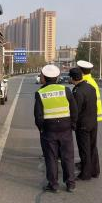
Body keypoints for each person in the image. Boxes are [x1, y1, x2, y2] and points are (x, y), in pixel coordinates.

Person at [34, 65, 78, 193]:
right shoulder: (66, 90)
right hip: (66, 128)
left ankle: (53, 185)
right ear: (57, 77)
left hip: (49, 130)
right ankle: (70, 184)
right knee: (68, 157)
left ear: (44, 77)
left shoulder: (40, 93)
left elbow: (38, 115)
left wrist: (41, 128)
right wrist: (73, 125)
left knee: (51, 157)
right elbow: (74, 110)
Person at [69, 68, 99, 180]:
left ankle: (85, 174)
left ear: (72, 78)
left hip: (83, 125)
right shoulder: (91, 87)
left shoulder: (77, 91)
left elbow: (76, 110)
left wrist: (72, 123)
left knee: (84, 149)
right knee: (92, 147)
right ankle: (95, 171)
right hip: (93, 122)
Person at [77, 60, 102, 177]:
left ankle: (87, 171)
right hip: (94, 118)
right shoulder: (92, 81)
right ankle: (94, 169)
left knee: (86, 147)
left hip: (87, 119)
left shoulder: (86, 83)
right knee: (92, 146)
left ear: (81, 71)